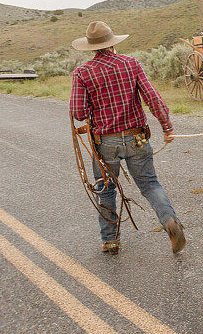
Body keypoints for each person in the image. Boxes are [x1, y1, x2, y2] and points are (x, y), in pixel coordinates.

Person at [69, 21, 185, 255]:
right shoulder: (131, 64)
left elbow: (78, 113)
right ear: (113, 44)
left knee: (106, 189)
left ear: (91, 48)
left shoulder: (82, 72)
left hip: (104, 143)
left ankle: (110, 240)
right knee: (150, 184)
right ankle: (170, 222)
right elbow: (153, 99)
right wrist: (167, 127)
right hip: (136, 139)